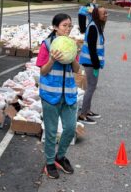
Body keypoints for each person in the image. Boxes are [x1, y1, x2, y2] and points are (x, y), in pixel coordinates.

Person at [36, 14, 81, 179]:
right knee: (51, 131)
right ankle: (49, 162)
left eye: (70, 26)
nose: (67, 29)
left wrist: (73, 55)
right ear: (55, 27)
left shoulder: (71, 44)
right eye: (64, 26)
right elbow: (42, 70)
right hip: (50, 94)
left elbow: (76, 70)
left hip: (68, 94)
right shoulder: (47, 45)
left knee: (70, 128)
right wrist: (52, 60)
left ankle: (59, 157)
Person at [78, 6, 108, 124]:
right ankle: (83, 115)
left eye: (106, 13)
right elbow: (91, 48)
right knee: (91, 87)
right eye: (103, 13)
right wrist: (96, 64)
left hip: (92, 62)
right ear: (96, 15)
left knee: (92, 86)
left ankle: (87, 110)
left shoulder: (96, 25)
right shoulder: (93, 27)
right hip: (90, 62)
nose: (105, 15)